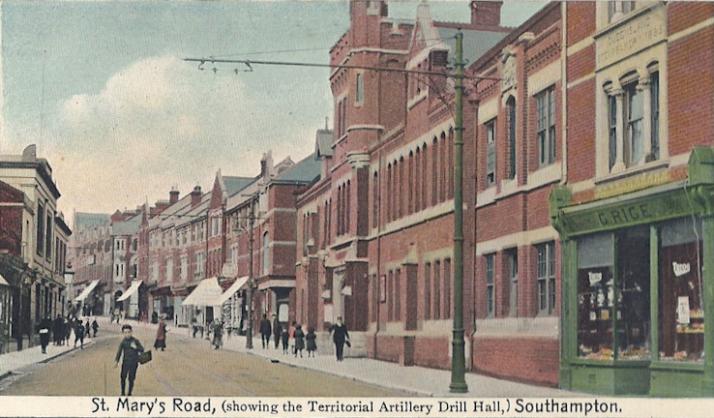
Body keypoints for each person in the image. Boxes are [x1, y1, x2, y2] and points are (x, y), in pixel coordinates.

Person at [114, 324, 144, 396]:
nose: (127, 334)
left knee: (131, 379)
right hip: (125, 363)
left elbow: (142, 349)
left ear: (131, 332)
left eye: (128, 332)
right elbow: (119, 351)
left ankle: (129, 393)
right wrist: (116, 361)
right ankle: (123, 393)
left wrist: (136, 347)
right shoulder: (123, 342)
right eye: (125, 332)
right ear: (123, 333)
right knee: (123, 377)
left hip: (134, 363)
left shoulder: (135, 341)